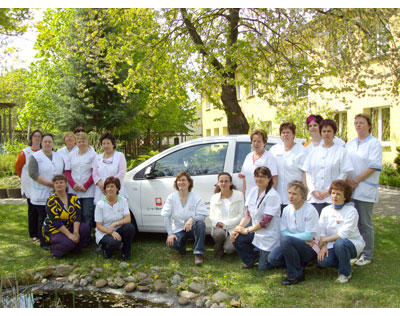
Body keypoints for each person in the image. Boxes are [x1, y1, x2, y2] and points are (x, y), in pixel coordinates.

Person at [345, 113, 382, 266]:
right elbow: (345, 162)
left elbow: (373, 166)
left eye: (361, 122)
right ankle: (357, 251)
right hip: (351, 188)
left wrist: (356, 180)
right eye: (356, 123)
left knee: (365, 223)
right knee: (353, 222)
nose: (358, 125)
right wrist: (348, 181)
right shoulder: (351, 143)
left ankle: (367, 254)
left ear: (369, 125)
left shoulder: (374, 143)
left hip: (365, 188)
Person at [268, 181, 320, 285]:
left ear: (303, 196)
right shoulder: (287, 209)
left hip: (309, 247)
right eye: (289, 193)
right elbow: (282, 232)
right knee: (273, 259)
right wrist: (292, 239)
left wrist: (290, 238)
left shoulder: (310, 210)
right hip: (292, 243)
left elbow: (309, 235)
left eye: (294, 194)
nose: (291, 196)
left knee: (286, 240)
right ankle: (298, 264)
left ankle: (296, 275)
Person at [231, 166, 281, 271]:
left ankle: (268, 257)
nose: (259, 179)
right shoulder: (253, 191)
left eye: (263, 177)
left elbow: (265, 222)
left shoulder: (273, 196)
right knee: (237, 237)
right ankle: (251, 260)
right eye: (257, 176)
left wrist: (247, 230)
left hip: (269, 236)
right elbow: (247, 214)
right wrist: (239, 228)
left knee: (263, 268)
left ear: (269, 179)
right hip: (256, 232)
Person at [301, 119, 353, 215]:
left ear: (334, 133)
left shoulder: (341, 151)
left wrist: (329, 190)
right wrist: (313, 190)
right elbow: (308, 173)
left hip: (333, 197)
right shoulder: (313, 152)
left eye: (329, 131)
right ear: (320, 133)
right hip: (315, 197)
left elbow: (344, 173)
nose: (326, 134)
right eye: (324, 131)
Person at [317, 180, 365, 283]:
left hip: (350, 243)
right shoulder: (326, 210)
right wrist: (323, 246)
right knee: (322, 261)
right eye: (333, 193)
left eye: (338, 194)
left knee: (340, 243)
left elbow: (344, 234)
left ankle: (345, 274)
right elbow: (321, 231)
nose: (335, 196)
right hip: (331, 244)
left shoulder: (351, 211)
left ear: (345, 197)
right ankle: (345, 261)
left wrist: (325, 239)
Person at [161, 172, 208, 266]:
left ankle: (198, 253)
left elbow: (203, 214)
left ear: (189, 183)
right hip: (178, 228)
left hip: (192, 228)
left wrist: (191, 220)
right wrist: (170, 234)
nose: (180, 182)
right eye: (178, 180)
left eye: (183, 180)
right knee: (171, 243)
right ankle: (181, 246)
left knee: (200, 224)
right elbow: (166, 216)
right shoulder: (171, 197)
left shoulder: (196, 197)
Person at [28, 133, 64, 249]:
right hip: (41, 192)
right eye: (45, 142)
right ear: (41, 143)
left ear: (53, 143)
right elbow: (33, 174)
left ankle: (53, 238)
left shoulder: (58, 156)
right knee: (43, 218)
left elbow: (61, 172)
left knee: (54, 217)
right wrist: (50, 184)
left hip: (55, 192)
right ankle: (43, 241)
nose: (47, 144)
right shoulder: (35, 156)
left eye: (50, 141)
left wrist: (58, 185)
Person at [42, 174, 90, 258]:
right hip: (54, 229)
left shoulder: (73, 197)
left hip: (69, 226)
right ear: (53, 185)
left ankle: (74, 248)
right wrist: (70, 235)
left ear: (66, 184)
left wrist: (75, 232)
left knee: (85, 228)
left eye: (61, 182)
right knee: (69, 242)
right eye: (56, 183)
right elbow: (56, 222)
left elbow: (77, 216)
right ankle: (55, 250)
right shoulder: (51, 200)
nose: (59, 184)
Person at [64, 132, 97, 242]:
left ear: (88, 142)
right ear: (76, 143)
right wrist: (73, 185)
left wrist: (86, 186)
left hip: (88, 191)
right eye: (79, 141)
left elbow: (94, 172)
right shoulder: (71, 155)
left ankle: (86, 238)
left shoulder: (93, 155)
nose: (81, 143)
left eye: (83, 141)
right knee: (75, 215)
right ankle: (76, 235)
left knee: (87, 214)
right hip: (74, 190)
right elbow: (67, 172)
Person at [94, 176, 135, 260]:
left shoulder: (123, 201)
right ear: (105, 189)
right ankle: (106, 249)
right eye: (107, 187)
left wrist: (115, 224)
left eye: (112, 186)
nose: (110, 189)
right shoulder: (100, 204)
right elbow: (99, 226)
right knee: (114, 242)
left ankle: (125, 253)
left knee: (130, 227)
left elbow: (128, 219)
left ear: (117, 188)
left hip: (118, 229)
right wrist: (111, 232)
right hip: (104, 232)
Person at [270, 122, 306, 213]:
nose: (285, 135)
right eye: (283, 133)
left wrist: (305, 193)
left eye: (288, 132)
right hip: (278, 195)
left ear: (293, 134)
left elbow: (305, 173)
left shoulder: (301, 150)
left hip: (296, 196)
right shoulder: (274, 150)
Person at [14, 129, 42, 242]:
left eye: (39, 136)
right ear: (31, 138)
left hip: (42, 185)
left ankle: (42, 232)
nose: (37, 138)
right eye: (35, 136)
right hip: (30, 185)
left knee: (41, 210)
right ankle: (33, 233)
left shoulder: (44, 151)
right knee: (32, 209)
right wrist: (25, 179)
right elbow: (18, 167)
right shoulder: (25, 152)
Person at [209, 172, 245, 258]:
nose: (223, 183)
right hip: (219, 227)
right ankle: (218, 248)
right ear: (218, 183)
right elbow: (211, 215)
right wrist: (217, 223)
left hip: (234, 227)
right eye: (221, 181)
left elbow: (241, 215)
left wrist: (226, 224)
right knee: (218, 234)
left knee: (229, 249)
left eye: (226, 181)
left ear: (230, 183)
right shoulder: (214, 197)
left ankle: (227, 244)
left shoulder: (239, 195)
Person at [239, 129, 278, 199]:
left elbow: (274, 179)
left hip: (263, 197)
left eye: (259, 141)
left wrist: (268, 197)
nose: (256, 144)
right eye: (254, 141)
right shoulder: (248, 156)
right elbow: (245, 178)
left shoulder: (269, 157)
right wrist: (243, 193)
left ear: (264, 143)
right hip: (249, 197)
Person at [92, 132, 127, 205]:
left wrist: (109, 186)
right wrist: (102, 185)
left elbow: (122, 172)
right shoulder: (97, 157)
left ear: (113, 144)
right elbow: (95, 174)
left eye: (108, 143)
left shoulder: (120, 156)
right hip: (101, 191)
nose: (105, 146)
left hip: (116, 191)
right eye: (103, 144)